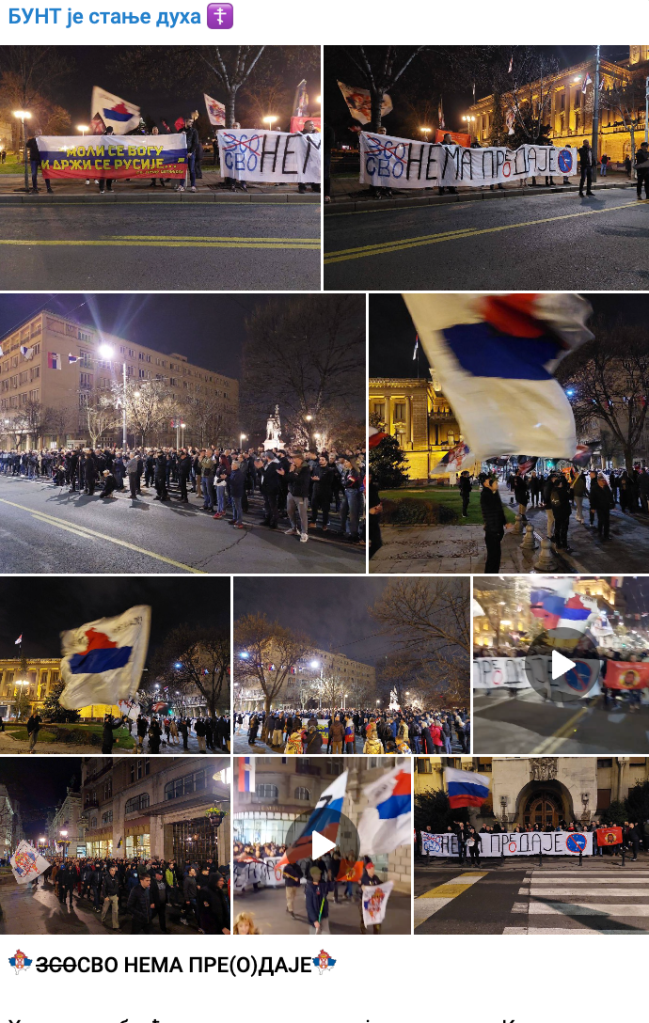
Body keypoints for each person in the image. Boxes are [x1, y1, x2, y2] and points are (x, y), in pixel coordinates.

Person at [480, 475, 508, 573]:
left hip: (495, 530)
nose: (491, 481)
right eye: (489, 481)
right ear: (485, 483)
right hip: (492, 531)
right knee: (493, 558)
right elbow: (494, 512)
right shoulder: (486, 495)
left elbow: (499, 509)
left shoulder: (492, 493)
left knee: (495, 558)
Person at [305, 865, 330, 934]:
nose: (319, 875)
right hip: (315, 918)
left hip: (323, 916)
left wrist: (330, 878)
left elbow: (330, 888)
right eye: (317, 874)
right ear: (312, 875)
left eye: (319, 873)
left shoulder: (322, 885)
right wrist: (314, 920)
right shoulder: (309, 888)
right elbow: (309, 906)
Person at [100, 865, 121, 931]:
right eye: (112, 870)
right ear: (109, 871)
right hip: (108, 896)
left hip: (114, 896)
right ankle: (102, 919)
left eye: (114, 870)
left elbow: (118, 887)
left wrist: (117, 895)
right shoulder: (106, 878)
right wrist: (105, 896)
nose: (113, 872)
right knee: (104, 910)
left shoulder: (116, 878)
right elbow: (104, 888)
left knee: (115, 911)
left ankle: (115, 926)